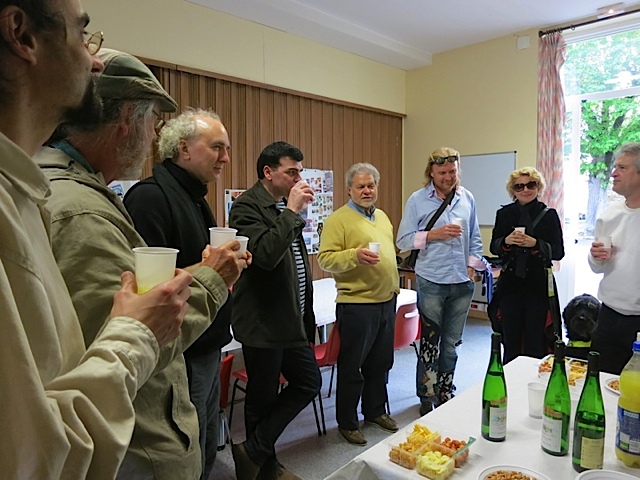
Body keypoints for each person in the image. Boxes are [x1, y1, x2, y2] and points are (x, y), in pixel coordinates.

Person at [35, 49, 250, 480]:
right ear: (127, 117)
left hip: (192, 355)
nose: (155, 136)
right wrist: (212, 275)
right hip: (144, 432)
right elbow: (136, 323)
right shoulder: (97, 206)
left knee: (209, 437)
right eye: (153, 122)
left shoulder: (84, 188)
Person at [0, 2, 194, 478]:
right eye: (82, 35)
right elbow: (37, 454)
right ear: (22, 35)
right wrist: (138, 329)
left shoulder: (25, 189)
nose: (96, 61)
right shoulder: (67, 204)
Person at [124, 108, 234, 479]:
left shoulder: (193, 196)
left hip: (206, 341)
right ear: (183, 149)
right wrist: (210, 269)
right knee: (188, 450)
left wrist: (223, 266)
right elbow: (147, 289)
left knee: (204, 444)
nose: (226, 158)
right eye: (217, 147)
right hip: (179, 351)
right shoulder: (149, 198)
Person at [228, 141, 322, 480]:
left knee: (308, 382)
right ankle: (264, 468)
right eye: (291, 172)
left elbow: (296, 264)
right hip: (263, 321)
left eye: (300, 172)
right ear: (268, 172)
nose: (298, 179)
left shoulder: (283, 206)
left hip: (291, 320)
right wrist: (291, 213)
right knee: (262, 398)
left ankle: (253, 451)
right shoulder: (245, 208)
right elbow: (264, 257)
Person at [396, 146, 484, 415]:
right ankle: (426, 393)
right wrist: (434, 234)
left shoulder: (467, 197)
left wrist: (473, 267)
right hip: (432, 280)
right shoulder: (417, 200)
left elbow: (475, 239)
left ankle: (446, 389)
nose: (448, 177)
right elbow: (402, 241)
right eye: (442, 172)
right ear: (431, 173)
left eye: (452, 171)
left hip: (461, 283)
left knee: (452, 343)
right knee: (430, 343)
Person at [317, 163, 400, 446]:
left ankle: (375, 411)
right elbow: (325, 259)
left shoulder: (384, 217)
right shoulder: (337, 220)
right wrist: (355, 255)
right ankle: (348, 423)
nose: (367, 191)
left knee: (381, 363)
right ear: (349, 189)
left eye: (371, 186)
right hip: (357, 304)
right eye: (361, 186)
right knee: (353, 367)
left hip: (387, 300)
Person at [489, 167, 564, 364]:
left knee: (536, 339)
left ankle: (534, 382)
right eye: (519, 186)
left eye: (531, 185)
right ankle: (510, 384)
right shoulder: (504, 214)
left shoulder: (549, 215)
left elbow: (558, 252)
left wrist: (536, 244)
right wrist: (506, 241)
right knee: (510, 338)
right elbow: (494, 247)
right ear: (513, 190)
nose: (525, 190)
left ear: (538, 187)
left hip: (537, 286)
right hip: (510, 286)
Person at [589, 142, 640, 374]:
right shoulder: (610, 215)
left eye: (622, 167)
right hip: (608, 315)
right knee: (601, 382)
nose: (613, 173)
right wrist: (596, 257)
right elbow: (597, 267)